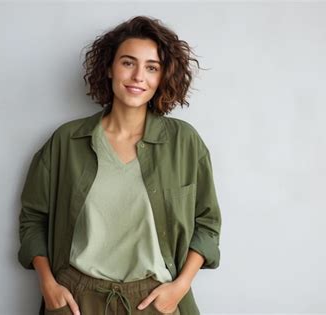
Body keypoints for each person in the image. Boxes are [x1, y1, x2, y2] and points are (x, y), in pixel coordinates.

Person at [17, 15, 222, 315]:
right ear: (110, 69)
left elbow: (207, 223)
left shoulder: (184, 143)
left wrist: (179, 288)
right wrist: (48, 283)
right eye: (128, 62)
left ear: (162, 77)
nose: (138, 76)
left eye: (152, 67)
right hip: (77, 300)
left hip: (155, 301)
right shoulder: (66, 141)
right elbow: (33, 218)